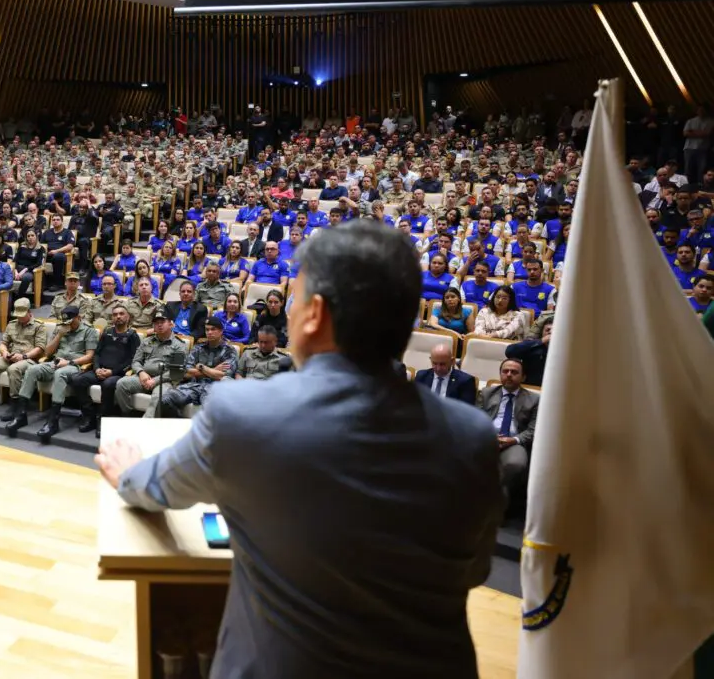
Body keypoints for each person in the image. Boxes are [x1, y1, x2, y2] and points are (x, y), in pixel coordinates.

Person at [95, 221, 503, 678]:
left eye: (295, 300)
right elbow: (474, 571)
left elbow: (156, 488)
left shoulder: (242, 414)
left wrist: (129, 471)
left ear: (314, 314)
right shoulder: (472, 438)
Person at [10, 305, 98, 442]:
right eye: (65, 322)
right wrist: (59, 335)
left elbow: (89, 357)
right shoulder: (60, 328)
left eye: (71, 322)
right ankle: (21, 415)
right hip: (55, 362)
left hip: (74, 365)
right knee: (32, 369)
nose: (68, 325)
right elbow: (47, 353)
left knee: (60, 374)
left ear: (79, 318)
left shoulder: (89, 331)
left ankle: (53, 420)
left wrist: (68, 363)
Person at [67, 303, 140, 437]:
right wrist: (96, 369)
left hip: (117, 373)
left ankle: (102, 418)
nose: (118, 317)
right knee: (77, 379)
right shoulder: (106, 332)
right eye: (115, 314)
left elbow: (133, 359)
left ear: (128, 317)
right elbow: (97, 354)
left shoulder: (132, 335)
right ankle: (89, 416)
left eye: (121, 314)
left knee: (108, 384)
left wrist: (113, 372)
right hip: (99, 370)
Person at [0, 298, 47, 417]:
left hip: (28, 360)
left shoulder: (39, 326)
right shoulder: (12, 324)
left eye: (22, 315)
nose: (20, 318)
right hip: (10, 357)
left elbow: (40, 348)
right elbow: (3, 343)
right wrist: (5, 352)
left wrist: (23, 356)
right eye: (18, 315)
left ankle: (15, 404)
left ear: (29, 312)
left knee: (13, 369)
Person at [478, 358, 539, 498]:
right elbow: (476, 420)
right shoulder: (487, 393)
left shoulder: (534, 400)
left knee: (516, 463)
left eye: (514, 372)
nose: (509, 374)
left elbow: (533, 430)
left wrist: (513, 440)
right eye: (505, 371)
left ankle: (494, 498)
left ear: (523, 377)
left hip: (515, 442)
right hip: (487, 438)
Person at [113, 306, 189, 416]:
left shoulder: (179, 345)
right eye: (156, 322)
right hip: (144, 377)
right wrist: (141, 372)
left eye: (162, 321)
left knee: (158, 397)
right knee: (121, 384)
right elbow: (136, 361)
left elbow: (176, 372)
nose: (159, 325)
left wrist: (155, 381)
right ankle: (129, 415)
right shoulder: (147, 341)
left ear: (171, 324)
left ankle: (146, 425)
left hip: (165, 380)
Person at [156, 315, 238, 417]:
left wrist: (201, 367)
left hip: (214, 388)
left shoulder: (229, 351)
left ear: (221, 331)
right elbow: (186, 372)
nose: (209, 332)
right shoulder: (198, 348)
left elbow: (223, 376)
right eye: (207, 330)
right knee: (165, 400)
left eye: (213, 329)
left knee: (211, 408)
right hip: (194, 386)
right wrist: (213, 371)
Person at [414, 343, 478, 404]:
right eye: (435, 363)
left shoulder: (465, 381)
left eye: (442, 364)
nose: (438, 368)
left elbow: (466, 410)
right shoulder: (422, 376)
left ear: (452, 361)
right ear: (431, 359)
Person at [505, 317, 552, 387]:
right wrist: (541, 341)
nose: (551, 332)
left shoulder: (567, 351)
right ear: (542, 332)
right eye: (548, 330)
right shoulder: (533, 346)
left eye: (556, 330)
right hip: (529, 389)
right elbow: (509, 352)